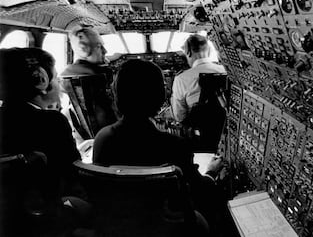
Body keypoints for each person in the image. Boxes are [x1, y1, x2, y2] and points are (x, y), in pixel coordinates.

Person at [93, 59, 225, 232]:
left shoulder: (102, 139)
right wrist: (211, 172)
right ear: (160, 96)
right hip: (168, 228)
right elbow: (200, 191)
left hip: (121, 227)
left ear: (117, 94)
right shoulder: (174, 145)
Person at [0, 48, 89, 236]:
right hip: (47, 218)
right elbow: (74, 174)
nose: (59, 85)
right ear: (41, 81)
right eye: (56, 78)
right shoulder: (52, 122)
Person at [60, 26, 118, 142]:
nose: (105, 51)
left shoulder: (65, 75)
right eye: (99, 47)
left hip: (83, 137)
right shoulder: (101, 76)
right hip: (113, 134)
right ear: (84, 50)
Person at [170, 34, 227, 152]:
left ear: (188, 52)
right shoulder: (225, 70)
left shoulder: (181, 79)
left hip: (200, 140)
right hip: (227, 135)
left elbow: (180, 117)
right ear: (210, 50)